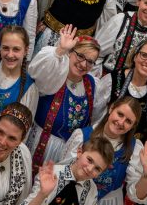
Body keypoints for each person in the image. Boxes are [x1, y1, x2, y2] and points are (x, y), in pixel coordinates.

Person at [26, 25, 111, 168]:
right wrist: (60, 49)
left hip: (68, 153)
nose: (83, 64)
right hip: (39, 144)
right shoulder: (55, 72)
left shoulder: (93, 85)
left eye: (90, 61)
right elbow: (36, 72)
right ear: (70, 52)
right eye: (80, 56)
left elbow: (95, 119)